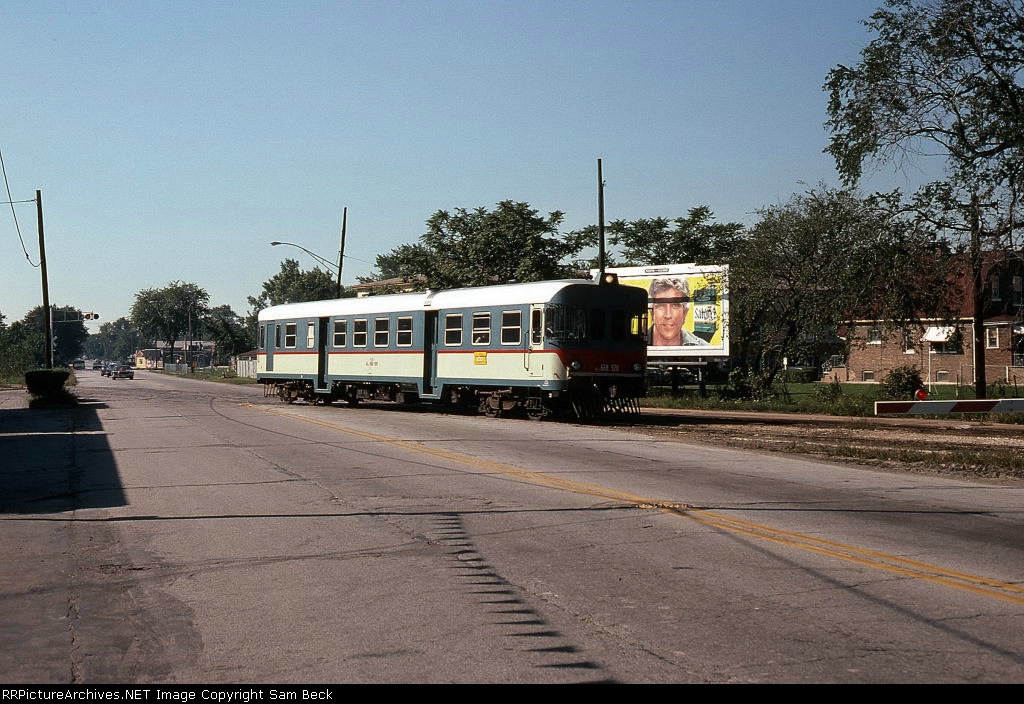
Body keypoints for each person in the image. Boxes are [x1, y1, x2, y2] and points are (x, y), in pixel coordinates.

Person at [647, 277, 709, 347]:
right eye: (660, 306)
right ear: (651, 313)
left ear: (685, 313)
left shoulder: (704, 349)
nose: (668, 315)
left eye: (675, 306)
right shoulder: (634, 346)